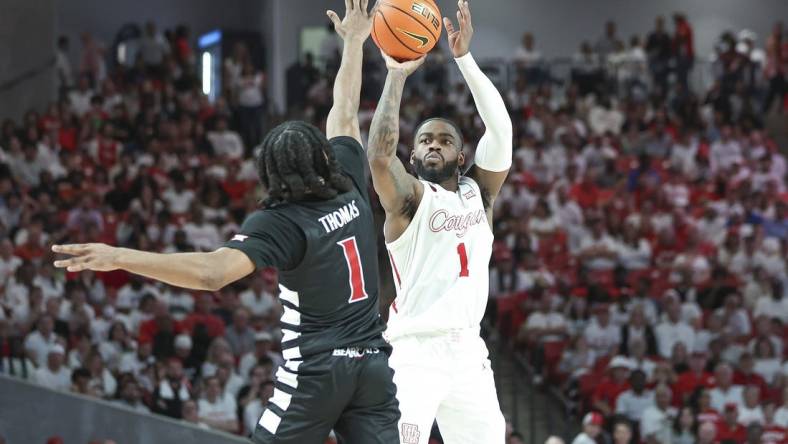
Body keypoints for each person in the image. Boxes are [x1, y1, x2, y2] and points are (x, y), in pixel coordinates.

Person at [53, 1, 399, 443]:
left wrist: (119, 255)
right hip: (372, 361)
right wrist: (354, 43)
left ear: (270, 173)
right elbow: (346, 110)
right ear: (323, 156)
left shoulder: (281, 220)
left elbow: (212, 274)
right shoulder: (349, 177)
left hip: (318, 370)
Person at [366, 1, 512, 441]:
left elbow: (501, 128)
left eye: (445, 140)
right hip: (414, 352)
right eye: (425, 139)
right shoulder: (410, 199)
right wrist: (395, 74)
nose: (434, 144)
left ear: (461, 156)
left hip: (468, 350)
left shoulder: (479, 193)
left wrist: (464, 57)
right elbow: (377, 156)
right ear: (412, 156)